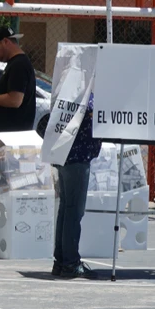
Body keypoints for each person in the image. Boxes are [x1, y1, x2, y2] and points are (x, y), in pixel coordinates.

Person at [53, 96, 102, 279]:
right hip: (77, 156)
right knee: (73, 211)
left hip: (67, 154)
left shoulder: (71, 90)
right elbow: (91, 111)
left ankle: (61, 260)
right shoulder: (83, 93)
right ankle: (70, 262)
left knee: (67, 209)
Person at [0, 25, 36, 134]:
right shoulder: (16, 63)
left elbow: (14, 100)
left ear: (5, 41)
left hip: (11, 135)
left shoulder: (19, 64)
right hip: (9, 133)